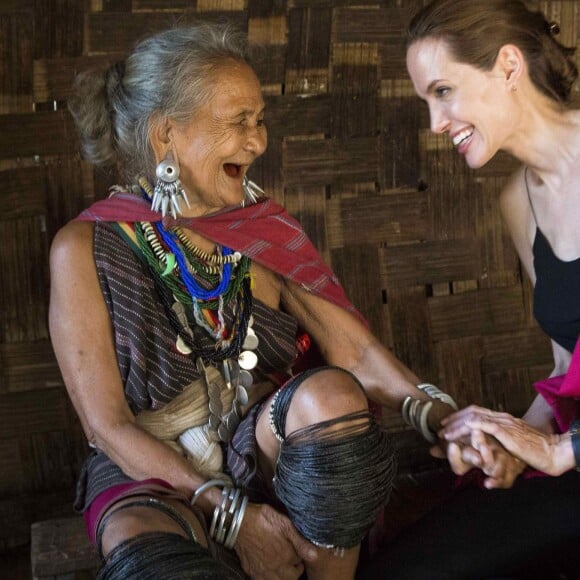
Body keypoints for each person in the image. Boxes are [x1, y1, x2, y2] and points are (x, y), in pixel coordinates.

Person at [49, 21, 459, 580]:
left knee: (334, 399)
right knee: (140, 549)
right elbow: (107, 429)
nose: (258, 141)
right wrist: (235, 520)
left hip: (256, 445)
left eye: (259, 121)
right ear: (165, 135)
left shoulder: (261, 229)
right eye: (238, 123)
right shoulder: (84, 247)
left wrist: (444, 418)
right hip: (150, 472)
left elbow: (357, 356)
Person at [358, 1, 580, 578]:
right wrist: (508, 440)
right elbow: (567, 372)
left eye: (443, 91)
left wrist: (560, 451)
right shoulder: (518, 203)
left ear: (508, 67)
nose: (434, 123)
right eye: (425, 101)